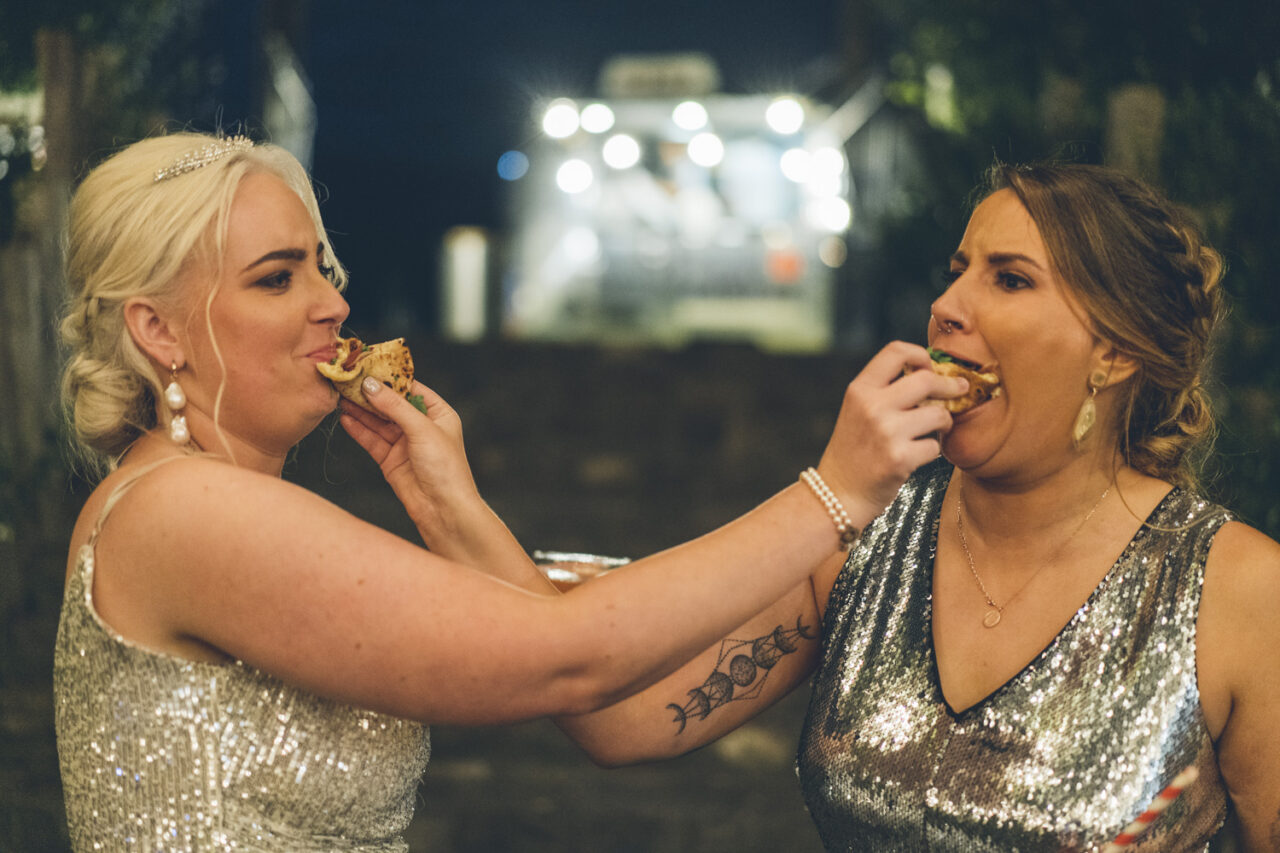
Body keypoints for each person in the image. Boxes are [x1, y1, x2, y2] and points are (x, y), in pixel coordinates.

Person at [50, 130, 967, 852]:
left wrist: (451, 509)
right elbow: (568, 657)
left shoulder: (208, 502)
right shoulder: (185, 510)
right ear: (158, 330)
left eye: (321, 268)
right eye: (276, 278)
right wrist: (835, 490)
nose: (331, 303)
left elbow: (592, 701)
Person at [404, 162, 1280, 851]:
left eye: (1008, 280)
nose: (947, 306)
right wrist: (450, 503)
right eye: (956, 272)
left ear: (1114, 351)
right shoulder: (865, 538)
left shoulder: (1239, 593)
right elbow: (616, 711)